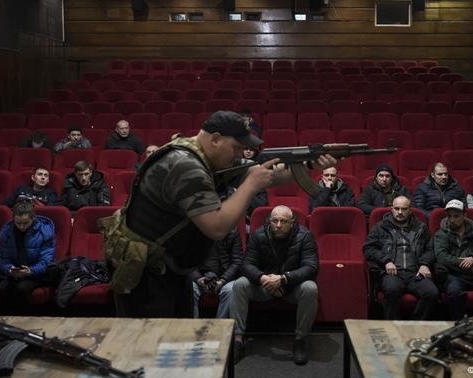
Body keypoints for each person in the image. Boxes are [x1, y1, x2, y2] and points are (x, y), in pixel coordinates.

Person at [113, 110, 334, 321]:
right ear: (216, 139)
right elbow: (217, 227)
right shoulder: (185, 166)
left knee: (175, 342)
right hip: (146, 273)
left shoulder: (202, 155)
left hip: (169, 267)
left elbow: (266, 175)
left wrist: (308, 165)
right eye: (237, 147)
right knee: (150, 348)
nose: (240, 154)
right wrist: (250, 186)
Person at [230, 205, 318, 365]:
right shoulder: (258, 235)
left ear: (292, 222)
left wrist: (284, 279)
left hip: (291, 286)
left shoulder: (305, 236)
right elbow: (247, 264)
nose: (278, 225)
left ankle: (300, 340)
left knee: (310, 288)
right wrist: (262, 278)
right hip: (265, 285)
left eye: (283, 221)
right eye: (275, 221)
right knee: (239, 284)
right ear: (270, 221)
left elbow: (311, 267)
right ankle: (237, 340)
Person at [362, 196, 438, 320]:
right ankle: (393, 326)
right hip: (391, 273)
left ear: (410, 210)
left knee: (431, 293)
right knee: (392, 289)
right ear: (391, 209)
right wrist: (386, 261)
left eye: (404, 209)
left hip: (415, 272)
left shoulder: (421, 228)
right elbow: (368, 248)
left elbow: (430, 249)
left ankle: (415, 325)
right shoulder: (380, 227)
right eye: (397, 209)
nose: (400, 212)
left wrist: (425, 264)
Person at [189, 189, 243, 319]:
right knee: (190, 289)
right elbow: (187, 260)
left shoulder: (232, 232)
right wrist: (198, 279)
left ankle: (220, 331)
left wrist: (223, 280)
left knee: (230, 291)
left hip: (224, 277)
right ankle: (192, 333)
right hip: (200, 277)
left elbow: (237, 261)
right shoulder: (194, 232)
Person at [0, 201, 55, 308]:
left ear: (33, 219)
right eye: (18, 223)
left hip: (37, 275)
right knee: (3, 288)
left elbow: (46, 260)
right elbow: (3, 258)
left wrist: (31, 271)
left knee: (22, 288)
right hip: (14, 274)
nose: (22, 226)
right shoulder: (7, 232)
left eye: (26, 223)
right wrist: (9, 269)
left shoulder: (44, 232)